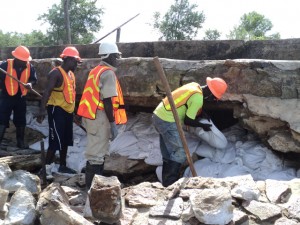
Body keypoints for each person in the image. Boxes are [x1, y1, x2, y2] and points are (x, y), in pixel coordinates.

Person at [152, 77, 228, 187]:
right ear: (211, 94)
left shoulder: (194, 86)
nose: (213, 100)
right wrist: (202, 125)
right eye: (214, 98)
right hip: (167, 120)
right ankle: (170, 185)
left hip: (158, 115)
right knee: (180, 154)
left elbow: (186, 104)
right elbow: (188, 120)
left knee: (168, 153)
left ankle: (166, 184)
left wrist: (201, 113)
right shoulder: (198, 98)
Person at [77, 42, 127, 189]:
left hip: (92, 116)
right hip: (99, 117)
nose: (117, 59)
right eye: (116, 56)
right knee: (96, 155)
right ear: (109, 56)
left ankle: (95, 185)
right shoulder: (108, 73)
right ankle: (91, 189)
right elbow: (107, 101)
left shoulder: (96, 70)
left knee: (98, 152)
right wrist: (112, 124)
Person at [36, 46, 81, 174]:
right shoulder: (55, 73)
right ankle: (44, 170)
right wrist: (41, 110)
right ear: (69, 60)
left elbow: (71, 94)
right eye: (76, 62)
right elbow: (47, 93)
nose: (77, 65)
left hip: (67, 111)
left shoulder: (71, 75)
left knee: (66, 139)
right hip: (57, 111)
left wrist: (74, 112)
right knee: (55, 140)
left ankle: (62, 165)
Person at [0, 45, 37, 149]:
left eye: (26, 60)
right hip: (6, 96)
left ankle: (20, 142)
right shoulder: (5, 65)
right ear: (16, 58)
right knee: (2, 118)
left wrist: (30, 84)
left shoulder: (30, 66)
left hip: (21, 97)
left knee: (20, 120)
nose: (25, 62)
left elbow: (33, 79)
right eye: (23, 60)